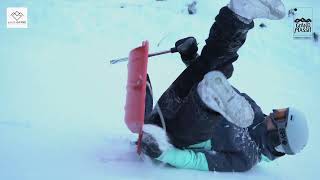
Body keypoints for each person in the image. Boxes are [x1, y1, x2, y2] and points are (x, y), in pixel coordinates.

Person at [140, 0, 309, 172]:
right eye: (281, 110)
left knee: (212, 100)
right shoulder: (253, 110)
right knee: (219, 66)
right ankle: (239, 16)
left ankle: (208, 103)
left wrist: (163, 153)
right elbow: (215, 81)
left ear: (279, 137)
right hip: (173, 104)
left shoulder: (246, 158)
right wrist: (191, 58)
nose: (274, 111)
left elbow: (197, 161)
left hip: (170, 135)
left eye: (280, 116)